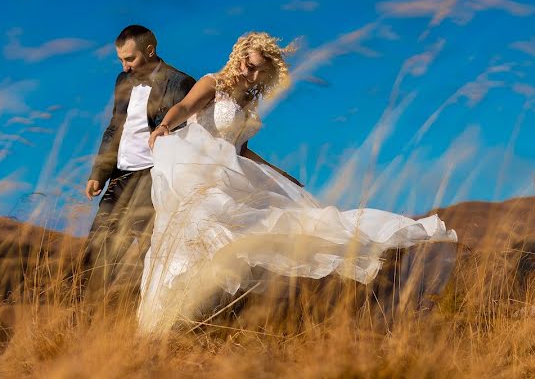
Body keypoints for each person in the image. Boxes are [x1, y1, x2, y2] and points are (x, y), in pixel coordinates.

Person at [137, 31, 458, 333]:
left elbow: (242, 149)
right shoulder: (213, 83)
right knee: (198, 232)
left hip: (232, 172)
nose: (251, 76)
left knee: (274, 228)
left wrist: (279, 173)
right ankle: (171, 321)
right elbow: (184, 107)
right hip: (201, 170)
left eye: (258, 73)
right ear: (238, 57)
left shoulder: (247, 103)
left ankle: (205, 318)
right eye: (249, 67)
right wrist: (165, 126)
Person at [82, 25, 196, 296]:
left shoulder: (179, 83)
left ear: (150, 51)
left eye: (130, 59)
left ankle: (148, 321)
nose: (125, 66)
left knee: (149, 250)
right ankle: (85, 321)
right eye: (120, 59)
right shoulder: (122, 81)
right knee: (97, 249)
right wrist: (99, 172)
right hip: (120, 175)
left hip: (152, 176)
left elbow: (186, 135)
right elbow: (115, 127)